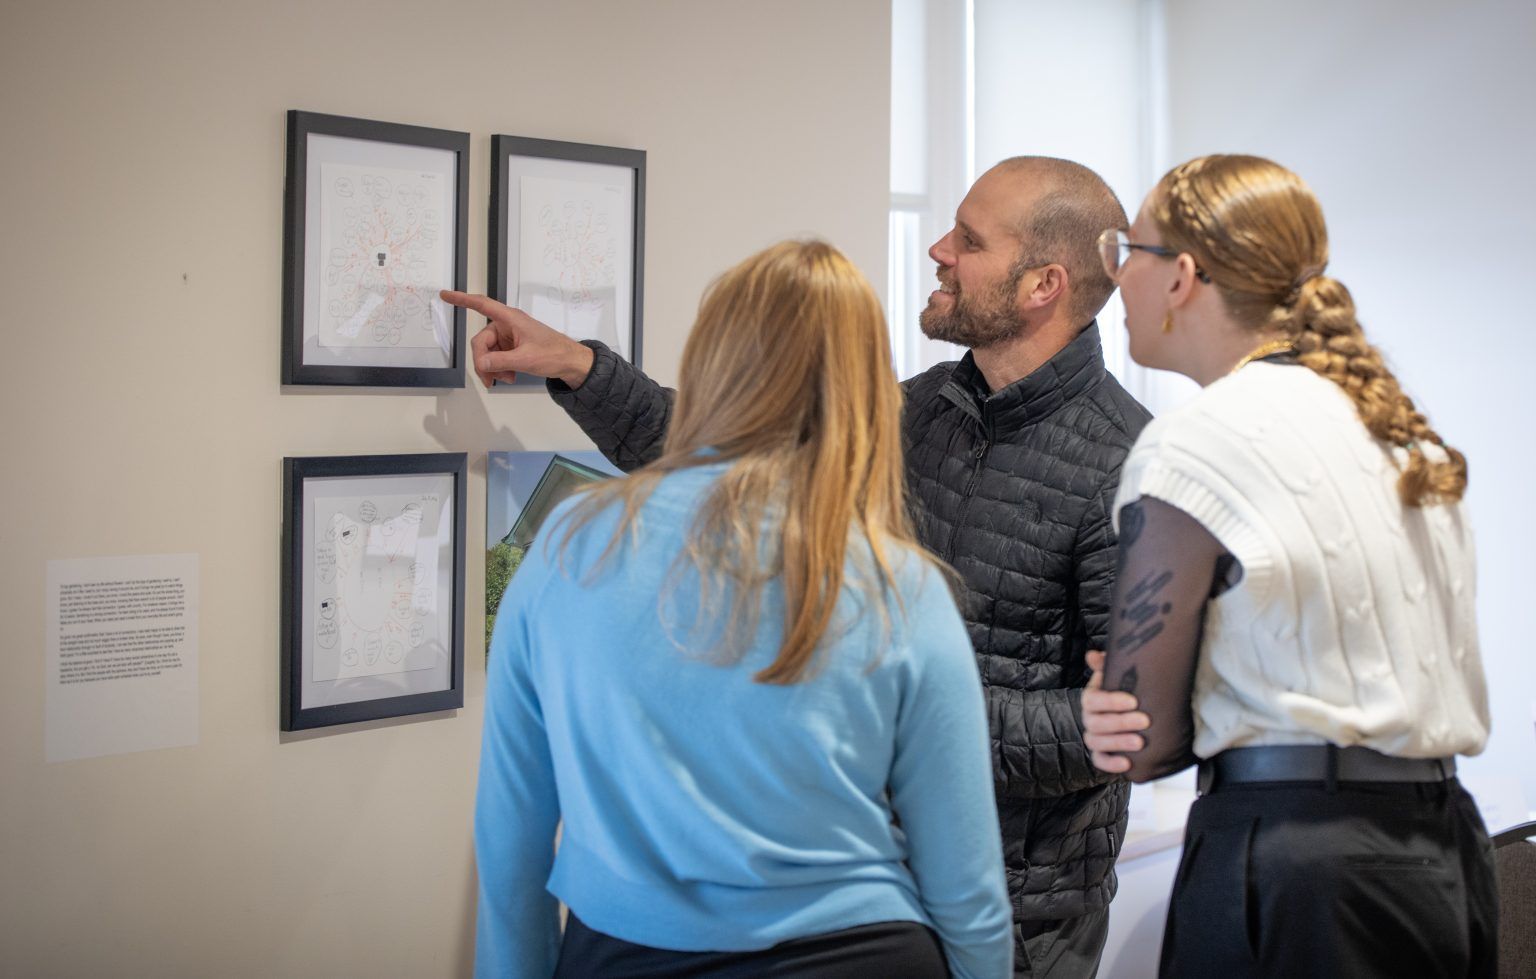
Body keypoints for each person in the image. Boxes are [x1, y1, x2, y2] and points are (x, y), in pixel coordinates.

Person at [450, 156, 1150, 977]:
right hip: (880, 880)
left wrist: (892, 705)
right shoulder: (921, 411)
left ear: (1043, 285)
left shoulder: (1131, 464)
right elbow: (734, 456)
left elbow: (1129, 725)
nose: (937, 250)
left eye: (967, 239)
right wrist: (581, 369)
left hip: (1026, 909)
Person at [474, 240, 1013, 978]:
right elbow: (968, 884)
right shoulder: (900, 583)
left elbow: (511, 840)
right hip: (864, 954)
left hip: (624, 952)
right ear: (865, 390)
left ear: (707, 366)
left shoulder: (569, 545)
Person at [1080, 154, 1497, 977]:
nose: (1117, 275)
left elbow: (1140, 740)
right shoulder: (1397, 429)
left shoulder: (1198, 440)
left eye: (1127, 249)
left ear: (1182, 276)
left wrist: (1112, 701)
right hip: (1445, 851)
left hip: (1295, 868)